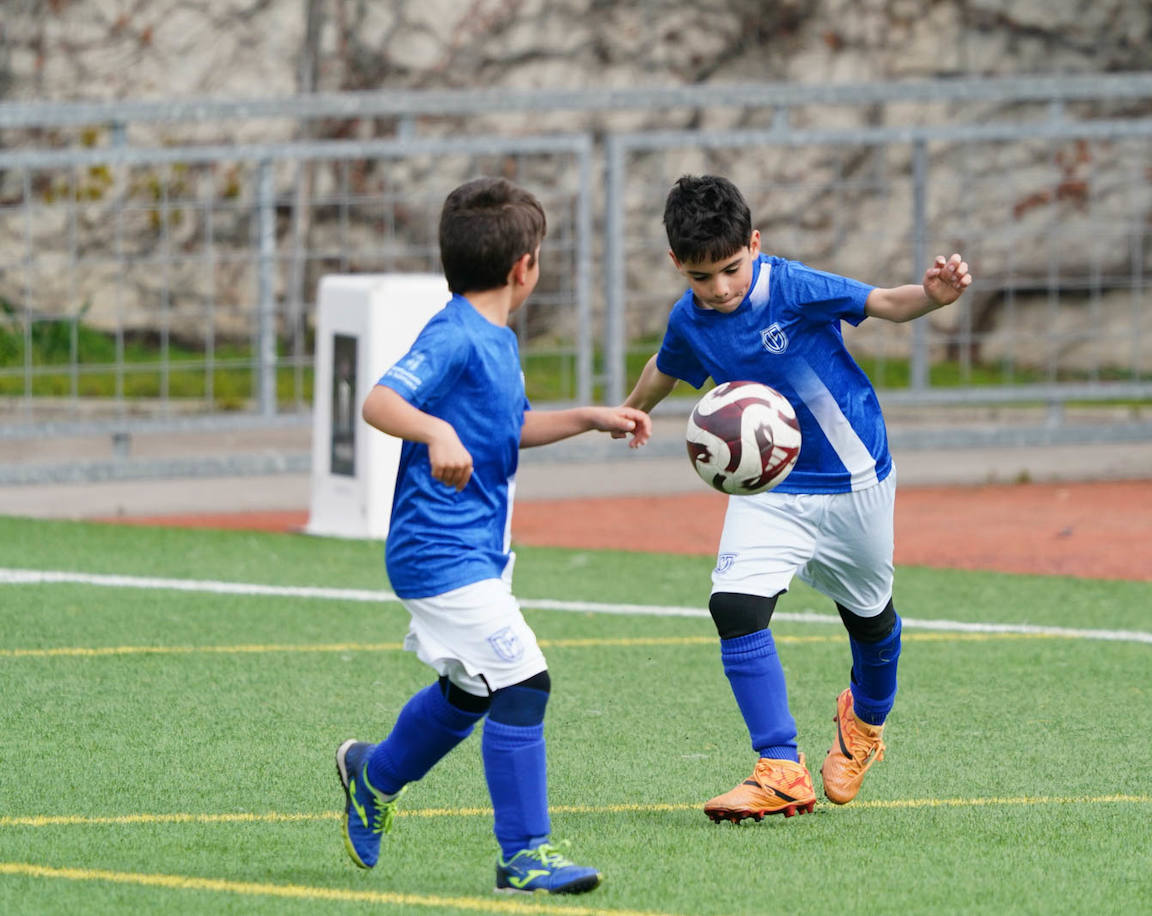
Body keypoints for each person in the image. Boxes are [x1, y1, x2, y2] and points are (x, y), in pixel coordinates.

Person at [620, 174, 972, 823]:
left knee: (869, 618)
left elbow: (884, 303)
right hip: (771, 486)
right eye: (702, 277)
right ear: (678, 266)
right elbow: (665, 364)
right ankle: (780, 767)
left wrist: (933, 296)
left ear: (753, 244)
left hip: (853, 476)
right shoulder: (690, 319)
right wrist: (631, 410)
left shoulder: (791, 287)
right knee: (734, 603)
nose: (720, 289)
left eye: (730, 269)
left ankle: (864, 724)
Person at [336, 176, 650, 893]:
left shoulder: (496, 341)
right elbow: (380, 400)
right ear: (524, 268)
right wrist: (435, 429)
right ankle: (524, 854)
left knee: (472, 691)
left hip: (474, 550)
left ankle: (372, 776)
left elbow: (508, 430)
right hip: (436, 552)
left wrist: (588, 418)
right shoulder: (453, 335)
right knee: (524, 682)